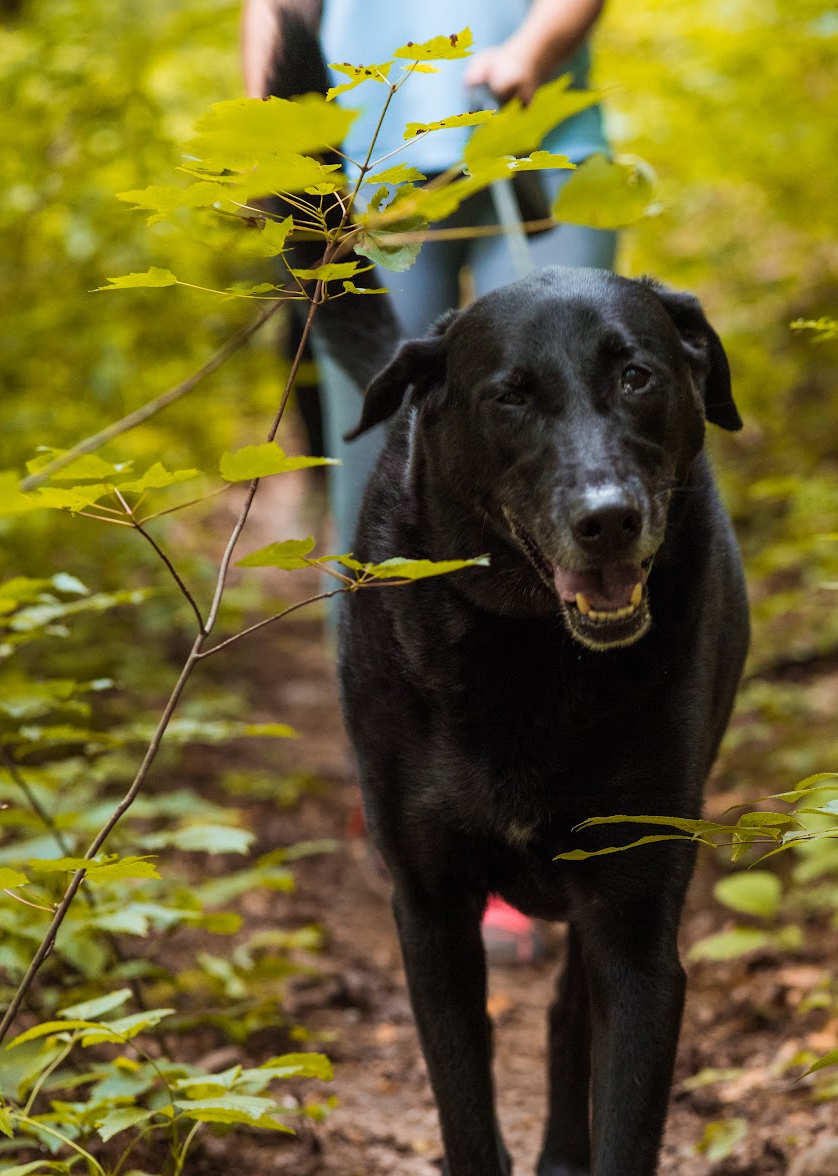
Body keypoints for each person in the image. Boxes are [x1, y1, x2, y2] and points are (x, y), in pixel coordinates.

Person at [241, 0, 617, 964]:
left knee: (550, 467)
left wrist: (532, 50)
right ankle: (410, 791)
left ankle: (545, 803)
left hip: (532, 135)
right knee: (382, 474)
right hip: (363, 163)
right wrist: (274, 139)